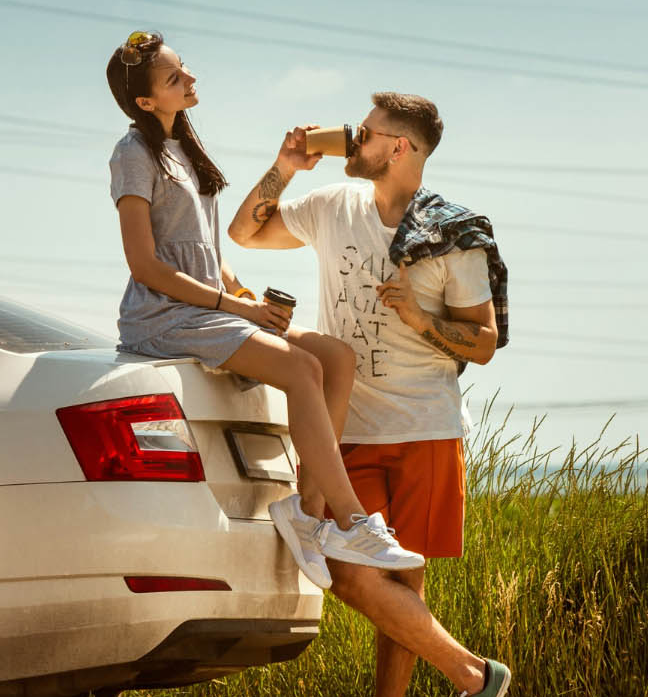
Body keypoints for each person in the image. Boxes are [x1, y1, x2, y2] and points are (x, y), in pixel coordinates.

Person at [227, 92, 512, 697]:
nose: (355, 140)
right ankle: (474, 674)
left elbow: (484, 342)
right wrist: (285, 165)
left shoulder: (452, 233)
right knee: (349, 573)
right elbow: (245, 232)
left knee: (400, 585)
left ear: (401, 149)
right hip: (344, 428)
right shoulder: (332, 205)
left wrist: (421, 321)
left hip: (424, 425)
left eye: (370, 133)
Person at [105, 32, 424, 572]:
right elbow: (147, 265)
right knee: (302, 370)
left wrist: (243, 293)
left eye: (185, 69)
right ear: (145, 102)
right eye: (174, 78)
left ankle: (307, 513)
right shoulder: (132, 153)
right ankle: (353, 523)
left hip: (208, 308)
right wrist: (236, 310)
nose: (190, 79)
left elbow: (202, 244)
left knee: (336, 358)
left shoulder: (184, 147)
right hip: (163, 315)